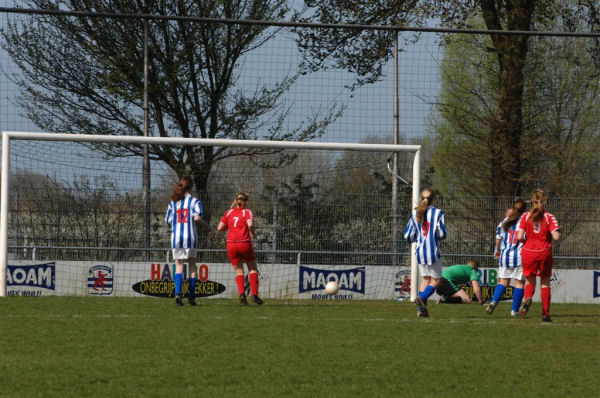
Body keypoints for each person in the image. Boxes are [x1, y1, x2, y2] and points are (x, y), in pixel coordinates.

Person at [517, 189, 561, 322]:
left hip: (528, 252)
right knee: (545, 282)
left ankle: (528, 298)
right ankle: (545, 314)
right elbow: (556, 236)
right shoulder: (549, 217)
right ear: (545, 201)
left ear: (531, 201)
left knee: (530, 281)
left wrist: (527, 243)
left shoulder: (525, 216)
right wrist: (559, 231)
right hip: (544, 253)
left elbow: (519, 237)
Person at [403, 188, 447, 317]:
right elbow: (442, 233)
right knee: (437, 280)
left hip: (420, 251)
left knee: (426, 279)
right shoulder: (438, 213)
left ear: (421, 198)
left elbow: (408, 236)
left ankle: (421, 310)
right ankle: (422, 297)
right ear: (433, 199)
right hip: (433, 252)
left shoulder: (416, 213)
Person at [165, 176, 206, 306]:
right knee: (192, 266)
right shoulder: (194, 201)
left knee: (179, 266)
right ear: (191, 187)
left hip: (176, 238)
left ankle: (178, 294)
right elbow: (197, 217)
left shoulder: (173, 202)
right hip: (190, 238)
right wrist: (207, 226)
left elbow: (168, 220)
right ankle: (192, 297)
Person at [218, 192, 263, 305]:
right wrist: (253, 233)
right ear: (246, 202)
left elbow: (219, 228)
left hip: (231, 244)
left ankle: (242, 294)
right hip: (244, 243)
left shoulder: (229, 212)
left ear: (235, 200)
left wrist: (230, 227)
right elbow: (250, 225)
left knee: (239, 272)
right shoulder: (247, 212)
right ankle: (254, 294)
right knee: (252, 269)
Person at [486, 199, 527, 316]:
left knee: (503, 282)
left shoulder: (505, 221)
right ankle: (514, 310)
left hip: (505, 257)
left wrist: (498, 250)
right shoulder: (525, 220)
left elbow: (498, 238)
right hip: (519, 256)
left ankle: (493, 302)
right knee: (519, 283)